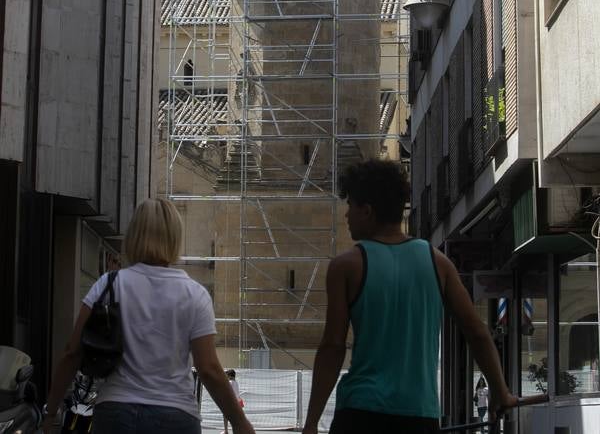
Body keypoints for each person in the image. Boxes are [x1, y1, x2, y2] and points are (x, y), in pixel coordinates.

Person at [301, 160, 517, 434]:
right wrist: (500, 390)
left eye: (350, 206)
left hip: (360, 414)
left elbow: (332, 347)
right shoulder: (439, 263)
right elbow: (476, 332)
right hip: (419, 415)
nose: (346, 216)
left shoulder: (346, 266)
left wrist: (310, 424)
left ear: (367, 211)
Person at [42, 198, 255, 434]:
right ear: (175, 238)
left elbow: (73, 352)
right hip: (175, 415)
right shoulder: (194, 294)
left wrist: (50, 412)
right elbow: (208, 368)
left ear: (134, 235)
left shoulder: (108, 286)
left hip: (116, 412)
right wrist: (239, 422)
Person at [223, 369, 244, 434]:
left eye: (226, 375)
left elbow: (228, 392)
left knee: (225, 416)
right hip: (238, 401)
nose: (226, 376)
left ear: (230, 376)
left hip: (232, 402)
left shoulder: (230, 382)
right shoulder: (236, 382)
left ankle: (226, 431)